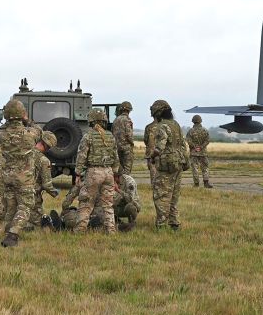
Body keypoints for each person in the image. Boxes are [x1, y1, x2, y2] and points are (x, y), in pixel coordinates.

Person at [0, 99, 42, 247]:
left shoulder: (2, 134)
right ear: (22, 114)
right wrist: (27, 120)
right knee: (25, 206)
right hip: (24, 177)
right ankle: (13, 234)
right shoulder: (30, 134)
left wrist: (8, 121)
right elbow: (39, 130)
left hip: (8, 176)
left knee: (11, 205)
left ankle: (7, 231)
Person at [74, 108, 120, 233]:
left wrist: (78, 173)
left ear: (91, 121)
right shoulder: (110, 136)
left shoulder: (88, 136)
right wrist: (115, 174)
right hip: (108, 172)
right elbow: (116, 157)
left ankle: (80, 230)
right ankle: (111, 230)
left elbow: (81, 156)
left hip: (93, 172)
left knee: (86, 202)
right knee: (108, 204)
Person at [148, 99, 188, 230]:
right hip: (178, 163)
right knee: (174, 195)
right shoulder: (176, 124)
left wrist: (152, 157)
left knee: (161, 195)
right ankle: (174, 223)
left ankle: (161, 224)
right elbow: (183, 145)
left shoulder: (163, 126)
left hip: (166, 166)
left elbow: (160, 147)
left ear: (158, 112)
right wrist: (185, 161)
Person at [57, 172, 139, 232]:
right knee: (73, 221)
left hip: (97, 210)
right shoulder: (89, 183)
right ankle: (117, 227)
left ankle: (118, 226)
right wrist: (65, 210)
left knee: (101, 218)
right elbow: (68, 200)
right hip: (88, 211)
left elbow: (111, 200)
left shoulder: (99, 183)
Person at [28, 131, 60, 228]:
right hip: (33, 194)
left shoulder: (25, 153)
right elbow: (47, 185)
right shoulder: (44, 160)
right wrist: (55, 193)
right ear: (47, 145)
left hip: (16, 190)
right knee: (38, 222)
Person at [186, 114, 213, 188]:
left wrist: (194, 147)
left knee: (195, 168)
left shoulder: (190, 131)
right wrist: (201, 147)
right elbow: (207, 140)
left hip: (194, 153)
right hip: (203, 153)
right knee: (205, 168)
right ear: (200, 121)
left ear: (193, 121)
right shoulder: (205, 130)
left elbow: (188, 140)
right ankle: (206, 183)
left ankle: (196, 184)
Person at [112, 101, 135, 175]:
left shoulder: (115, 120)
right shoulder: (127, 119)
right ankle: (125, 181)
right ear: (129, 110)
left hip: (117, 147)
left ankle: (120, 181)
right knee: (127, 170)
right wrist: (132, 143)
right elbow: (129, 134)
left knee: (120, 169)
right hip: (126, 148)